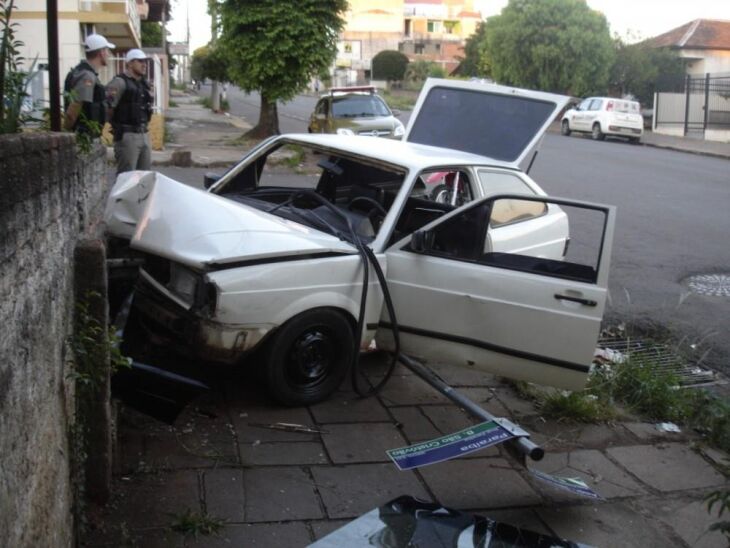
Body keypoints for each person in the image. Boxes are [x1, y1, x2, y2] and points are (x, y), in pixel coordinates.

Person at [106, 49, 153, 174]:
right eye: (140, 61)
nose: (144, 65)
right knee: (126, 179)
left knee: (144, 178)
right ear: (130, 63)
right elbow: (108, 107)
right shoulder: (120, 82)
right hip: (127, 135)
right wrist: (116, 127)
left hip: (144, 133)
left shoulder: (143, 84)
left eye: (145, 61)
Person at [63, 33, 115, 136]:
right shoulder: (87, 76)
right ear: (102, 52)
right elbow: (73, 110)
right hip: (84, 139)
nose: (108, 54)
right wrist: (66, 135)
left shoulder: (85, 73)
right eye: (107, 50)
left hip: (88, 136)